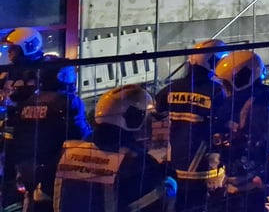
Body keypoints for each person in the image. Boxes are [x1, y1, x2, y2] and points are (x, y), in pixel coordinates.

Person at [53, 84, 174, 212]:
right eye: (146, 119)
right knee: (170, 186)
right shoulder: (137, 163)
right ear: (133, 119)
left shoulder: (67, 153)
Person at [3, 57, 90, 212]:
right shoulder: (68, 102)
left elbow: (15, 138)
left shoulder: (28, 102)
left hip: (28, 170)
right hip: (56, 171)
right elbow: (81, 135)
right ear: (63, 77)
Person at [213, 51, 269, 212]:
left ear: (241, 80)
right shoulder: (245, 102)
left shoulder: (259, 107)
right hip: (243, 180)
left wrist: (263, 176)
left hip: (256, 184)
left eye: (226, 84)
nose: (224, 90)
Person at [154, 39, 230, 212]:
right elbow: (226, 126)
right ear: (215, 62)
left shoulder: (171, 89)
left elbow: (156, 114)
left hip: (177, 168)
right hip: (206, 171)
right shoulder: (217, 92)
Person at [1, 27, 48, 211]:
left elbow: (26, 98)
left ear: (27, 48)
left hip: (31, 129)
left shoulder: (41, 70)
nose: (9, 53)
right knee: (7, 166)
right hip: (11, 125)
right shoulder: (11, 71)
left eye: (13, 49)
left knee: (28, 173)